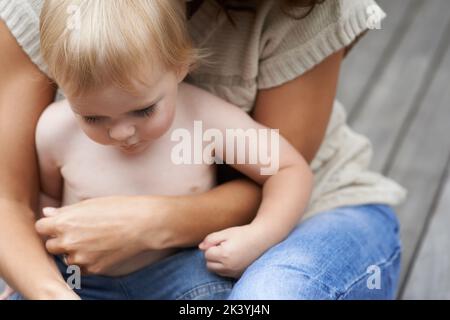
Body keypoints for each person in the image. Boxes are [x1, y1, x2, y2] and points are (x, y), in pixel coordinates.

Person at [0, 0, 406, 300]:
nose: (122, 132)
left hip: (182, 275)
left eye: (142, 109)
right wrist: (46, 284)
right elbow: (39, 203)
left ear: (180, 68)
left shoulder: (201, 117)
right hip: (85, 282)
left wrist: (258, 236)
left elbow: (286, 169)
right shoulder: (54, 129)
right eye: (93, 118)